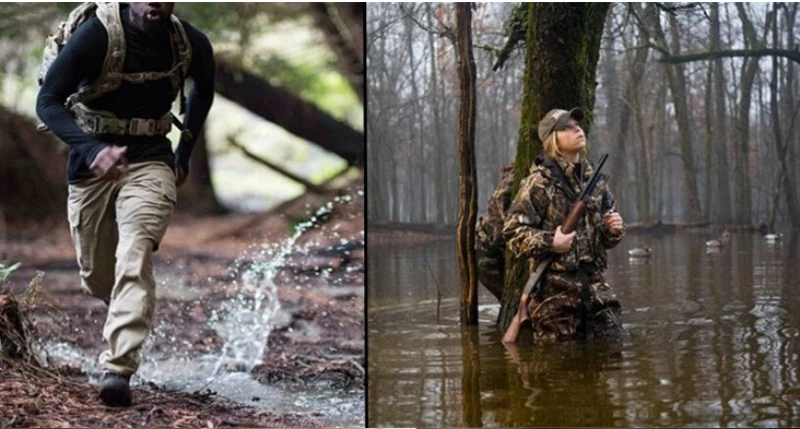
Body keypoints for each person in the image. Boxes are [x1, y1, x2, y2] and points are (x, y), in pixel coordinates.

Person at [36, 2, 215, 407]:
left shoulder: (190, 43)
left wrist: (183, 154)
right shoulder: (96, 35)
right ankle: (124, 307)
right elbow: (47, 100)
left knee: (134, 251)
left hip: (152, 158)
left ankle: (117, 368)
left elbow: (203, 88)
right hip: (89, 163)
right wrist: (92, 149)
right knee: (99, 278)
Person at [502, 108, 625, 343]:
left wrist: (614, 230)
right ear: (553, 139)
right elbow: (512, 232)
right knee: (558, 365)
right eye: (566, 127)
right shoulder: (538, 183)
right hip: (555, 291)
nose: (577, 128)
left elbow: (606, 238)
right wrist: (551, 242)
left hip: (596, 287)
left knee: (614, 351)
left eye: (577, 124)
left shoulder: (595, 182)